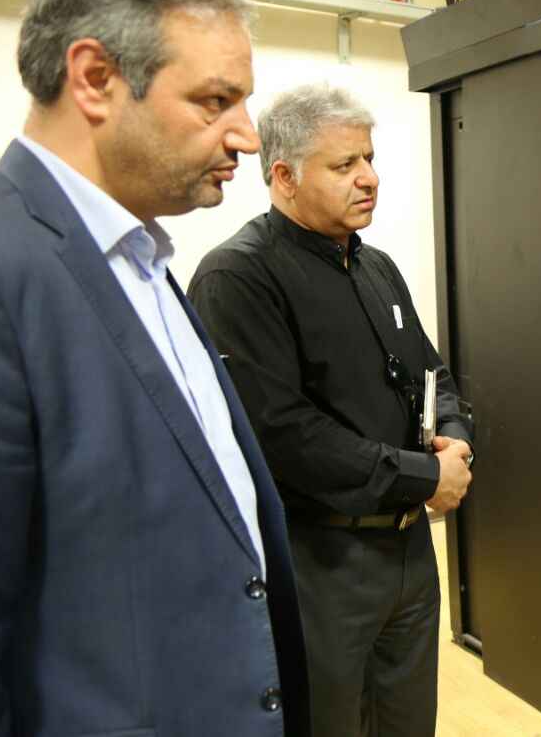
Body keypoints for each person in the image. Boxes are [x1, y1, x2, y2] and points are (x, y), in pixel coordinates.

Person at [0, 0, 309, 735]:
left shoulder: (141, 257)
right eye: (216, 100)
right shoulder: (8, 269)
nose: (247, 136)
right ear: (95, 79)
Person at [187, 82, 474, 737]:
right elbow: (283, 433)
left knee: (409, 723)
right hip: (321, 558)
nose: (369, 178)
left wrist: (457, 441)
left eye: (369, 158)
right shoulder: (238, 277)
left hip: (409, 553)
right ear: (284, 176)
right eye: (345, 164)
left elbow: (431, 374)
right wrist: (423, 476)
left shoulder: (378, 269)